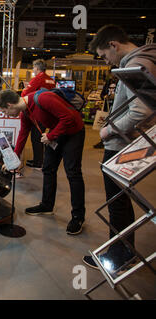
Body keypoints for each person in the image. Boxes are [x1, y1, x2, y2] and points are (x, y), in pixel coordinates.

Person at [82, 25, 156, 270]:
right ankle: (124, 250)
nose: (106, 62)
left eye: (104, 55)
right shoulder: (147, 57)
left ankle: (119, 255)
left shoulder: (134, 64)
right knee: (120, 201)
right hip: (135, 142)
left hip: (123, 144)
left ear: (113, 44)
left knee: (116, 203)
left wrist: (109, 129)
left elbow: (140, 110)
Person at [0, 89, 86, 235]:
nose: (7, 115)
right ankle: (47, 205)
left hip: (73, 132)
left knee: (73, 173)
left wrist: (51, 135)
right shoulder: (25, 113)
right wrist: (14, 158)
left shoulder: (43, 98)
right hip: (55, 135)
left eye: (5, 112)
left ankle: (78, 217)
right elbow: (23, 134)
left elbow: (69, 118)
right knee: (48, 169)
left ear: (10, 105)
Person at [21, 59, 56, 169]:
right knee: (41, 135)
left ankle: (38, 162)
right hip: (48, 111)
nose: (33, 70)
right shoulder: (51, 80)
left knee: (36, 137)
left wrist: (26, 87)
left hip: (37, 111)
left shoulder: (38, 78)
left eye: (33, 68)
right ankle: (41, 159)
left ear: (37, 68)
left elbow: (24, 93)